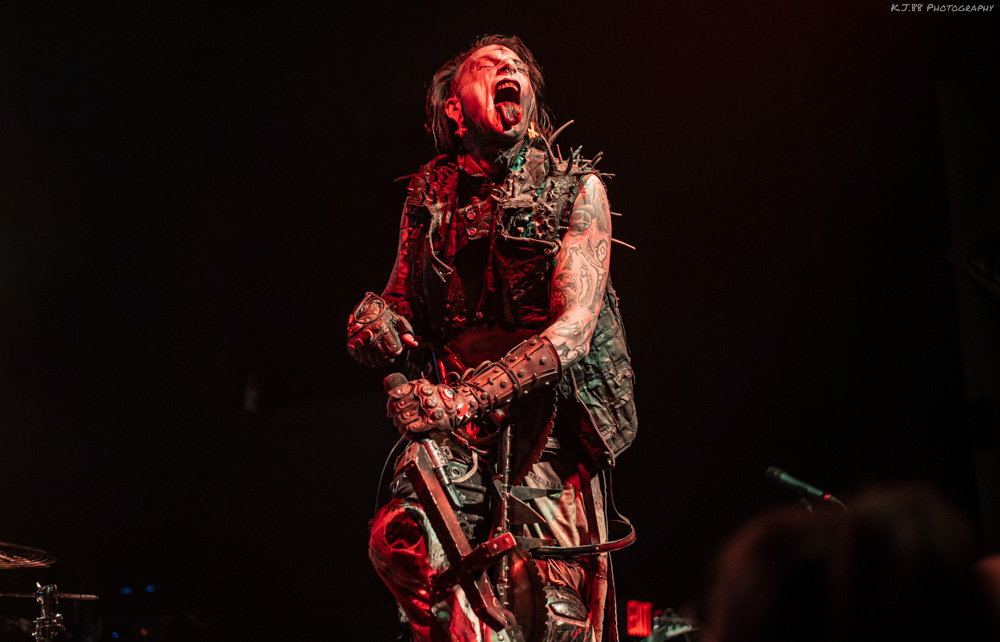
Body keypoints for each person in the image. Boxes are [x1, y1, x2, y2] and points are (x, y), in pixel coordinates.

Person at [346, 35, 636, 642]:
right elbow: (401, 300)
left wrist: (467, 397)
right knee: (402, 540)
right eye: (490, 64)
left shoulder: (576, 190)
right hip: (455, 429)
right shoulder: (429, 194)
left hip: (548, 427)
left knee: (550, 609)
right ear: (455, 109)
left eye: (518, 66)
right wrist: (378, 324)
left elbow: (575, 329)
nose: (509, 68)